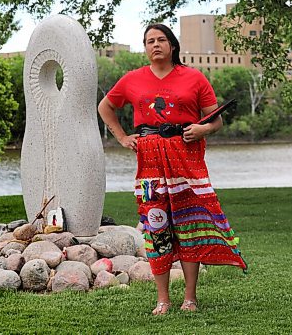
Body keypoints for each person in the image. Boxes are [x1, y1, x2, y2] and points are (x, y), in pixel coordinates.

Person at [98, 23, 247, 315]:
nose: (155, 45)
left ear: (173, 45)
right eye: (149, 41)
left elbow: (215, 120)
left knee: (188, 225)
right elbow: (105, 107)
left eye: (161, 40)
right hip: (150, 160)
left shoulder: (194, 78)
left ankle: (190, 297)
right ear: (145, 47)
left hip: (186, 157)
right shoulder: (132, 79)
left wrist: (202, 129)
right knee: (157, 225)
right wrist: (123, 137)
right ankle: (162, 299)